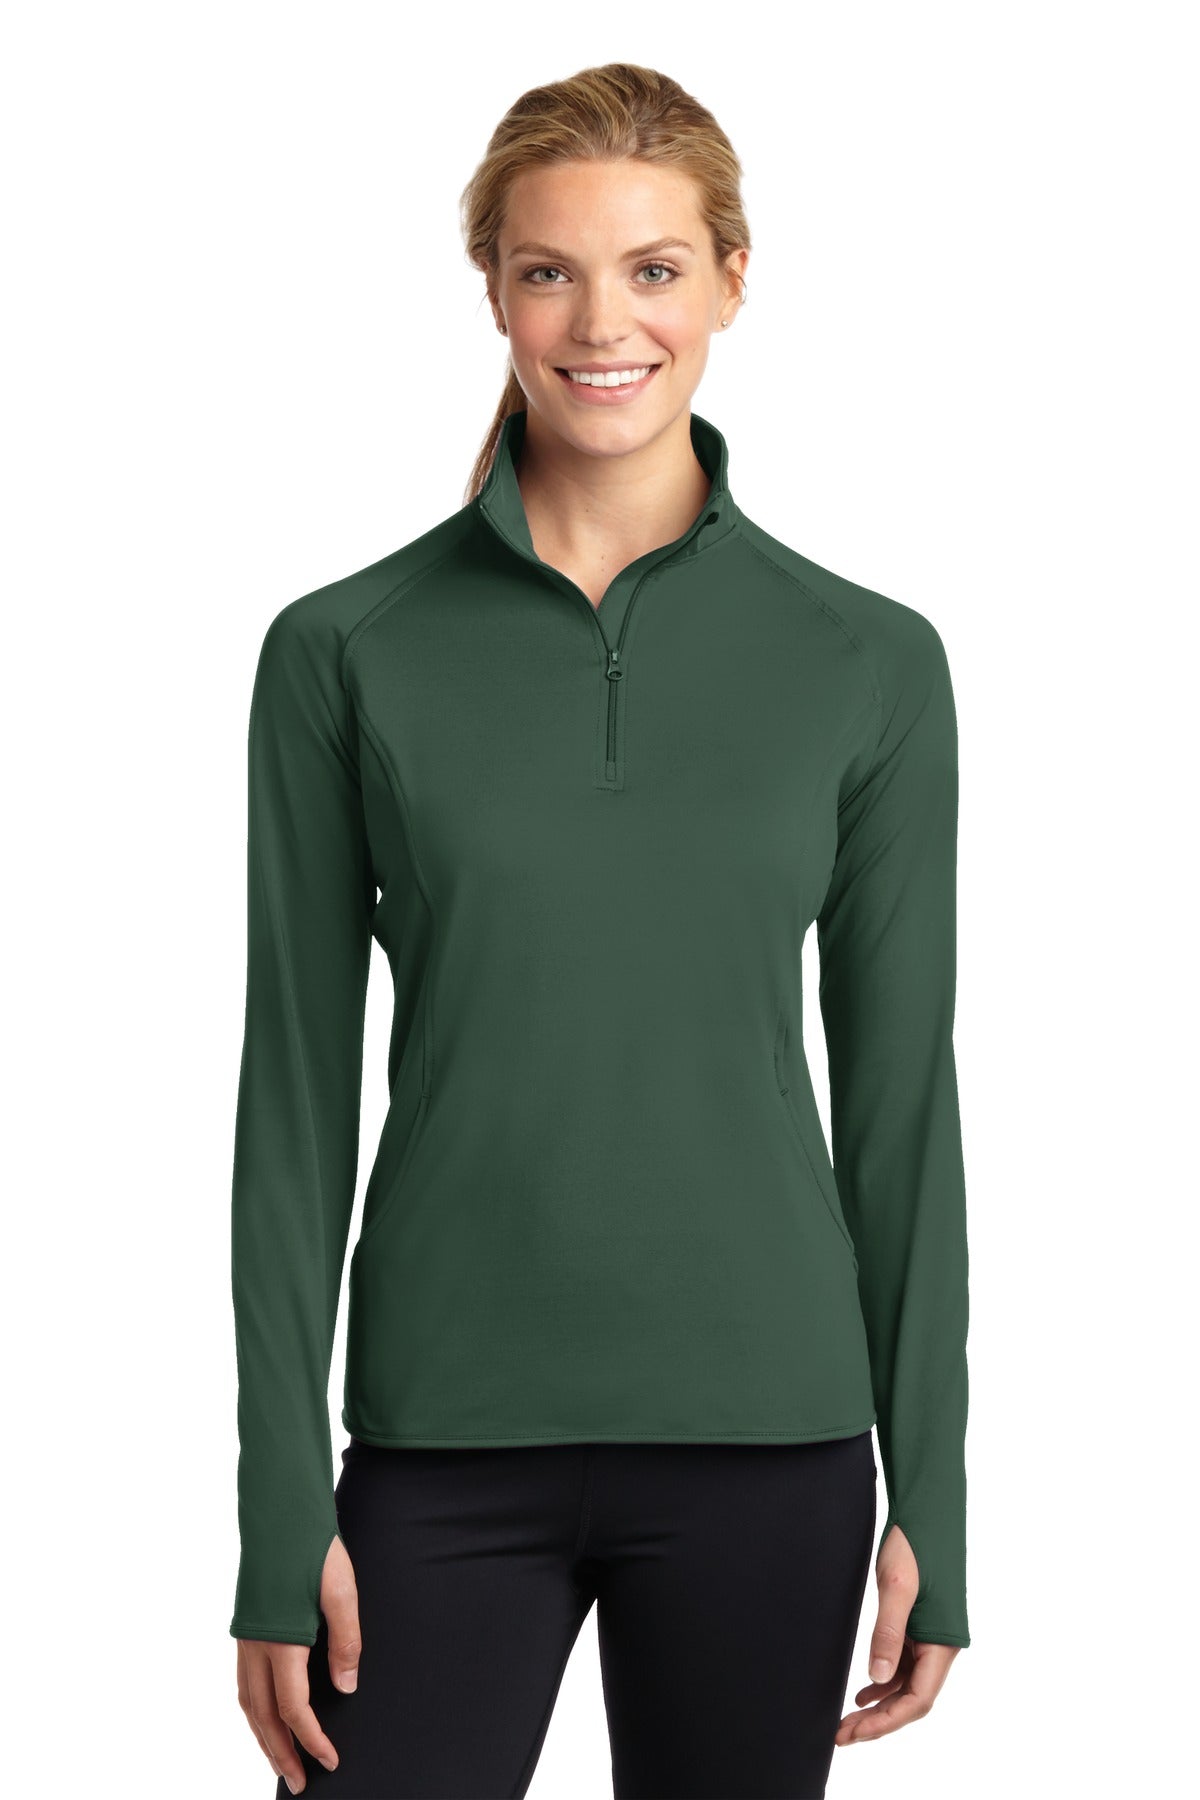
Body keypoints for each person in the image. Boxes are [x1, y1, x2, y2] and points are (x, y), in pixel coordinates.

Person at [229, 61, 971, 1800]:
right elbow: (293, 1106)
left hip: (772, 1445)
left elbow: (901, 1107)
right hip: (439, 1445)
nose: (601, 323)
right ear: (493, 289)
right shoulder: (345, 652)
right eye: (550, 270)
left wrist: (933, 1492)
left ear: (730, 282)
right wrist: (276, 1510)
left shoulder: (868, 662)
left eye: (653, 268)